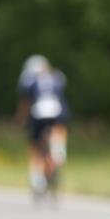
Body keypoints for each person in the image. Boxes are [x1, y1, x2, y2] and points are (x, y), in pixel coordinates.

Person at [16, 55, 69, 197]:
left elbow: (26, 103)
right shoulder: (57, 76)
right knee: (60, 127)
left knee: (35, 147)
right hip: (56, 111)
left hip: (38, 113)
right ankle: (58, 150)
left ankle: (37, 178)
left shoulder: (29, 79)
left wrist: (20, 121)